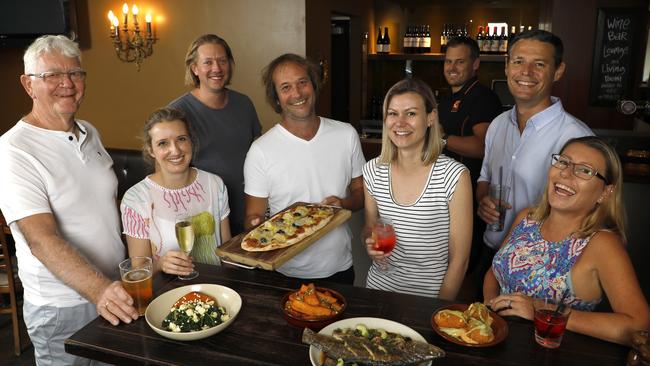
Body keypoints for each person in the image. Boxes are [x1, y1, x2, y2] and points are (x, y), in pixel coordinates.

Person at [0, 35, 138, 365]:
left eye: (75, 73)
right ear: (28, 84)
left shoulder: (90, 132)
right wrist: (99, 290)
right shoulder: (13, 150)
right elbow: (41, 240)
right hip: (63, 307)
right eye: (51, 76)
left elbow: (104, 210)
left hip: (115, 291)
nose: (67, 83)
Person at [484, 136, 650, 346]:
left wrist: (542, 311)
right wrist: (489, 311)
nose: (566, 173)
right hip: (495, 342)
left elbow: (639, 326)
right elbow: (494, 272)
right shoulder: (527, 218)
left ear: (606, 192)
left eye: (585, 170)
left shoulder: (602, 244)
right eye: (563, 162)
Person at [476, 29, 593, 274]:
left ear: (558, 71)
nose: (526, 72)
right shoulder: (497, 125)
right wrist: (482, 200)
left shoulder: (576, 138)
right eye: (518, 62)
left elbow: (587, 214)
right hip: (491, 253)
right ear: (507, 66)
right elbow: (485, 177)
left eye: (539, 64)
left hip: (542, 263)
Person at [244, 53, 365, 283]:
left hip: (339, 266)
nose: (297, 93)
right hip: (285, 271)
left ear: (314, 85)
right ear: (276, 98)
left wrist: (343, 204)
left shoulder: (346, 134)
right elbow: (254, 216)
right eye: (286, 87)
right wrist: (257, 225)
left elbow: (361, 194)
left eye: (303, 82)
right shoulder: (260, 150)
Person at [363, 78, 473, 299]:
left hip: (429, 297)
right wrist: (370, 243)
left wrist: (435, 312)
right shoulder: (372, 170)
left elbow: (460, 261)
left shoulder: (454, 176)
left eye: (411, 113)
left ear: (430, 118)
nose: (400, 122)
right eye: (393, 113)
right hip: (378, 291)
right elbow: (370, 227)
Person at [120, 107, 231, 276]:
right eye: (163, 143)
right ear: (151, 150)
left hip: (216, 286)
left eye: (181, 139)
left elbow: (227, 255)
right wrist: (160, 264)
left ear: (191, 141)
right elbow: (138, 271)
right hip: (168, 293)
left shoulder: (215, 184)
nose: (175, 150)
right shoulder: (136, 198)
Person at [169, 34, 261, 236]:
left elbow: (259, 154)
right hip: (205, 217)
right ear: (194, 68)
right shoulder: (178, 113)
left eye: (222, 61)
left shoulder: (244, 103)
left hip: (249, 210)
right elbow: (166, 171)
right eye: (207, 62)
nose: (216, 69)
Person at [438, 36, 502, 273]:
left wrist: (442, 139)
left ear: (475, 64)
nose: (451, 68)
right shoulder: (448, 98)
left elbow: (483, 146)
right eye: (448, 62)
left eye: (459, 62)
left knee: (460, 265)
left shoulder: (483, 97)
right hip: (443, 194)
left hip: (469, 195)